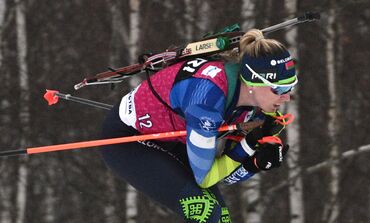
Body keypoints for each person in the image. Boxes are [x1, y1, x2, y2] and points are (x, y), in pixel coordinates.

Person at [98, 28, 297, 222]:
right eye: (279, 88)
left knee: (222, 218)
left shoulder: (251, 104)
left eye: (291, 86)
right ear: (253, 82)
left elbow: (225, 174)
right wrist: (249, 144)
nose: (287, 96)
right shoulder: (207, 101)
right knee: (206, 213)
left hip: (172, 139)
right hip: (128, 139)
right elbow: (207, 177)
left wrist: (255, 163)